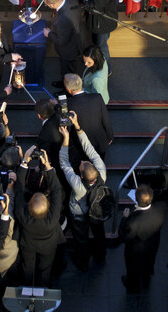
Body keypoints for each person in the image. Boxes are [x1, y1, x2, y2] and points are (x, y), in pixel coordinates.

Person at [59, 113, 108, 270]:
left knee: (81, 239)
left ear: (81, 176)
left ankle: (82, 262)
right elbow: (91, 150)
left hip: (79, 214)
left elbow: (64, 163)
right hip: (97, 211)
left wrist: (66, 139)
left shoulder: (78, 186)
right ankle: (101, 255)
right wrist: (78, 127)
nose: (82, 161)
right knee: (99, 234)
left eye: (82, 164)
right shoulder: (102, 173)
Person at [15, 145, 65, 287]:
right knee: (45, 268)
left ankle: (26, 286)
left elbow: (19, 189)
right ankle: (43, 287)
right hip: (48, 246)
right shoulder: (53, 217)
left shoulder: (22, 214)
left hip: (28, 244)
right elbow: (56, 190)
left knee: (27, 267)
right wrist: (47, 165)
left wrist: (25, 161)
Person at [70, 0, 118, 66]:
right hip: (98, 21)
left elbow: (92, 6)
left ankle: (106, 68)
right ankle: (97, 64)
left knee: (102, 46)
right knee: (97, 44)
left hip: (102, 23)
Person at [119, 184, 166, 292]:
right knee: (149, 261)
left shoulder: (133, 222)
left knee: (132, 267)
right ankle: (147, 276)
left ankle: (132, 284)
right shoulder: (161, 207)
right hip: (153, 244)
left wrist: (124, 219)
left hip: (136, 250)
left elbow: (124, 237)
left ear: (136, 199)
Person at [64, 73, 112, 164]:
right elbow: (105, 119)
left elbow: (68, 129)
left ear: (68, 89)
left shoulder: (67, 104)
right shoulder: (97, 98)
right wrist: (110, 135)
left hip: (79, 147)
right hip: (99, 143)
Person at [42, 0, 84, 86]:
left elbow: (61, 41)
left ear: (52, 5)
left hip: (68, 49)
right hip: (76, 39)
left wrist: (49, 33)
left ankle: (67, 89)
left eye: (46, 4)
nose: (46, 6)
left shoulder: (62, 20)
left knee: (68, 69)